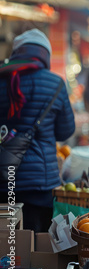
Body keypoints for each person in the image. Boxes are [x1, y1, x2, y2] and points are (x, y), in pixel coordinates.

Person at [0, 29, 75, 232]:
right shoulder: (56, 84)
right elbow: (65, 131)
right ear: (45, 55)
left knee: (5, 244)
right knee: (34, 246)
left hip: (3, 178)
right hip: (40, 183)